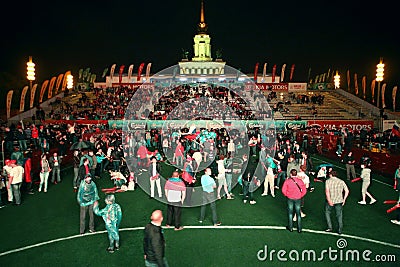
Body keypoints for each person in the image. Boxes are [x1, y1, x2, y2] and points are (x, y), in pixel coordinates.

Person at [281, 169, 307, 233]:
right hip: (298, 198)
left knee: (290, 213)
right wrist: (300, 195)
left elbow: (283, 190)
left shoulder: (288, 181)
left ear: (290, 174)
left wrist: (287, 195)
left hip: (290, 198)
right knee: (298, 213)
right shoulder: (300, 181)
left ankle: (290, 227)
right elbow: (304, 190)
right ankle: (299, 228)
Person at [325, 170, 349, 234]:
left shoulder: (328, 181)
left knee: (327, 212)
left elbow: (327, 192)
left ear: (330, 175)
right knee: (339, 215)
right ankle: (340, 229)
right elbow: (347, 191)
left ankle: (330, 227)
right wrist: (344, 199)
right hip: (339, 200)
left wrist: (329, 200)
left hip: (331, 200)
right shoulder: (341, 181)